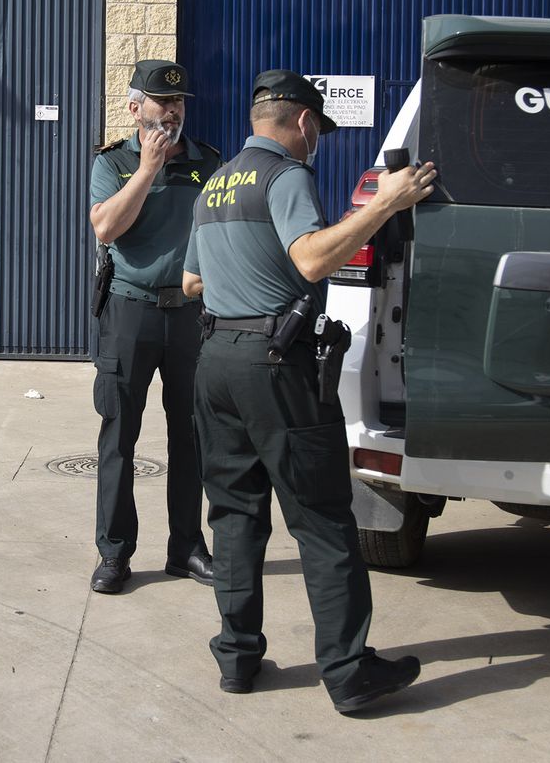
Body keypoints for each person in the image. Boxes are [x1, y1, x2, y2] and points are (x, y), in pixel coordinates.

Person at [180, 70, 437, 715]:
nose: (315, 139)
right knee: (322, 519)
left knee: (235, 516)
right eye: (316, 128)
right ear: (301, 122)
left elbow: (190, 283)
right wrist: (385, 202)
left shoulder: (213, 184)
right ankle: (349, 674)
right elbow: (313, 261)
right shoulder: (286, 176)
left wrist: (242, 284)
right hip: (276, 368)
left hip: (215, 362)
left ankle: (237, 660)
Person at [87, 59, 224, 594]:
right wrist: (146, 169)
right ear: (133, 107)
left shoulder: (207, 162)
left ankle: (186, 547)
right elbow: (105, 227)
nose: (172, 110)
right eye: (161, 100)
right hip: (129, 312)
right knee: (119, 436)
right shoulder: (114, 163)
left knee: (190, 437)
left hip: (191, 316)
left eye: (180, 101)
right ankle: (115, 554)